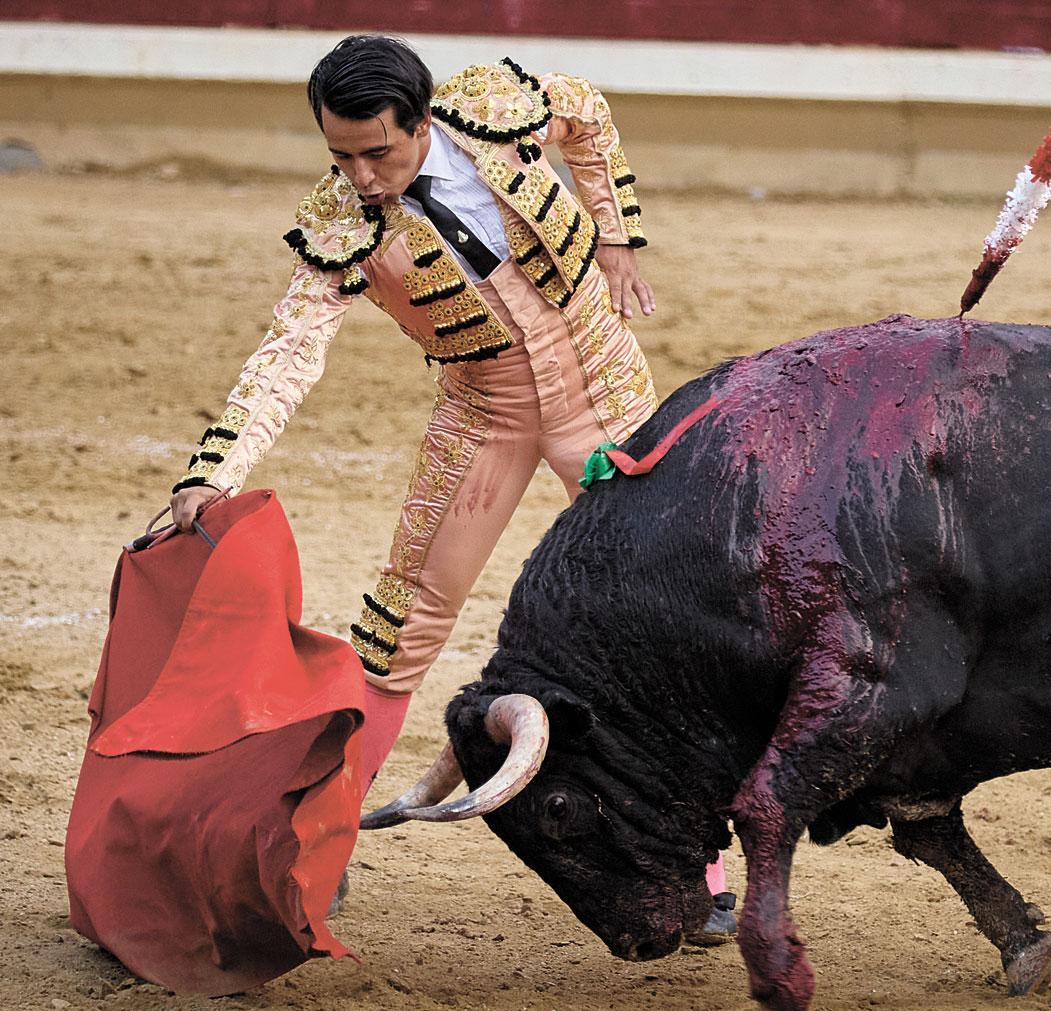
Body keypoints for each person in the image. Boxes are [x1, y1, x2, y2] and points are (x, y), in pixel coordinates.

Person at [164, 34, 734, 941]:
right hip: (486, 415)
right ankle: (320, 848)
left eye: (376, 152)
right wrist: (214, 471)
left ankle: (690, 867)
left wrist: (619, 236)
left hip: (605, 392)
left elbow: (587, 112)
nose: (359, 176)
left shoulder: (494, 109)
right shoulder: (341, 223)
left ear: (423, 122)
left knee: (672, 616)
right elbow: (288, 353)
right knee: (397, 629)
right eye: (339, 156)